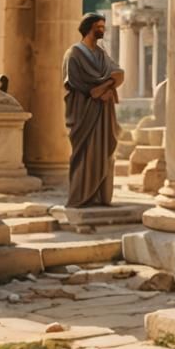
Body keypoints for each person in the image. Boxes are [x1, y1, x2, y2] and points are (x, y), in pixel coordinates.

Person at [63, 12, 124, 209]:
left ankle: (100, 196)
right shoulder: (73, 53)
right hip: (84, 111)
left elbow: (118, 73)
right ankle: (80, 197)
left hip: (104, 112)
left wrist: (105, 88)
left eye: (103, 26)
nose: (102, 30)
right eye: (99, 27)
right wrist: (96, 91)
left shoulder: (101, 53)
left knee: (104, 150)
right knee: (84, 152)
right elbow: (74, 81)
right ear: (88, 27)